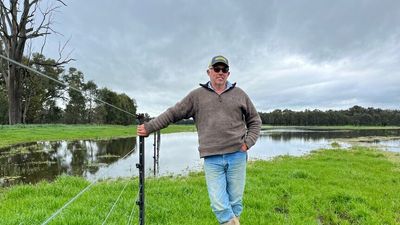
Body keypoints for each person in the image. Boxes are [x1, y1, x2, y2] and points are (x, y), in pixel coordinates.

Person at [137, 55, 261, 225]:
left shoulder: (240, 94)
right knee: (219, 204)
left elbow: (255, 120)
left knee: (235, 202)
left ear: (228, 73)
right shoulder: (197, 96)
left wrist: (248, 143)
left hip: (237, 155)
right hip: (212, 157)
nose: (220, 72)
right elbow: (174, 113)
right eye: (216, 69)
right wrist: (150, 127)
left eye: (224, 70)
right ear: (209, 72)